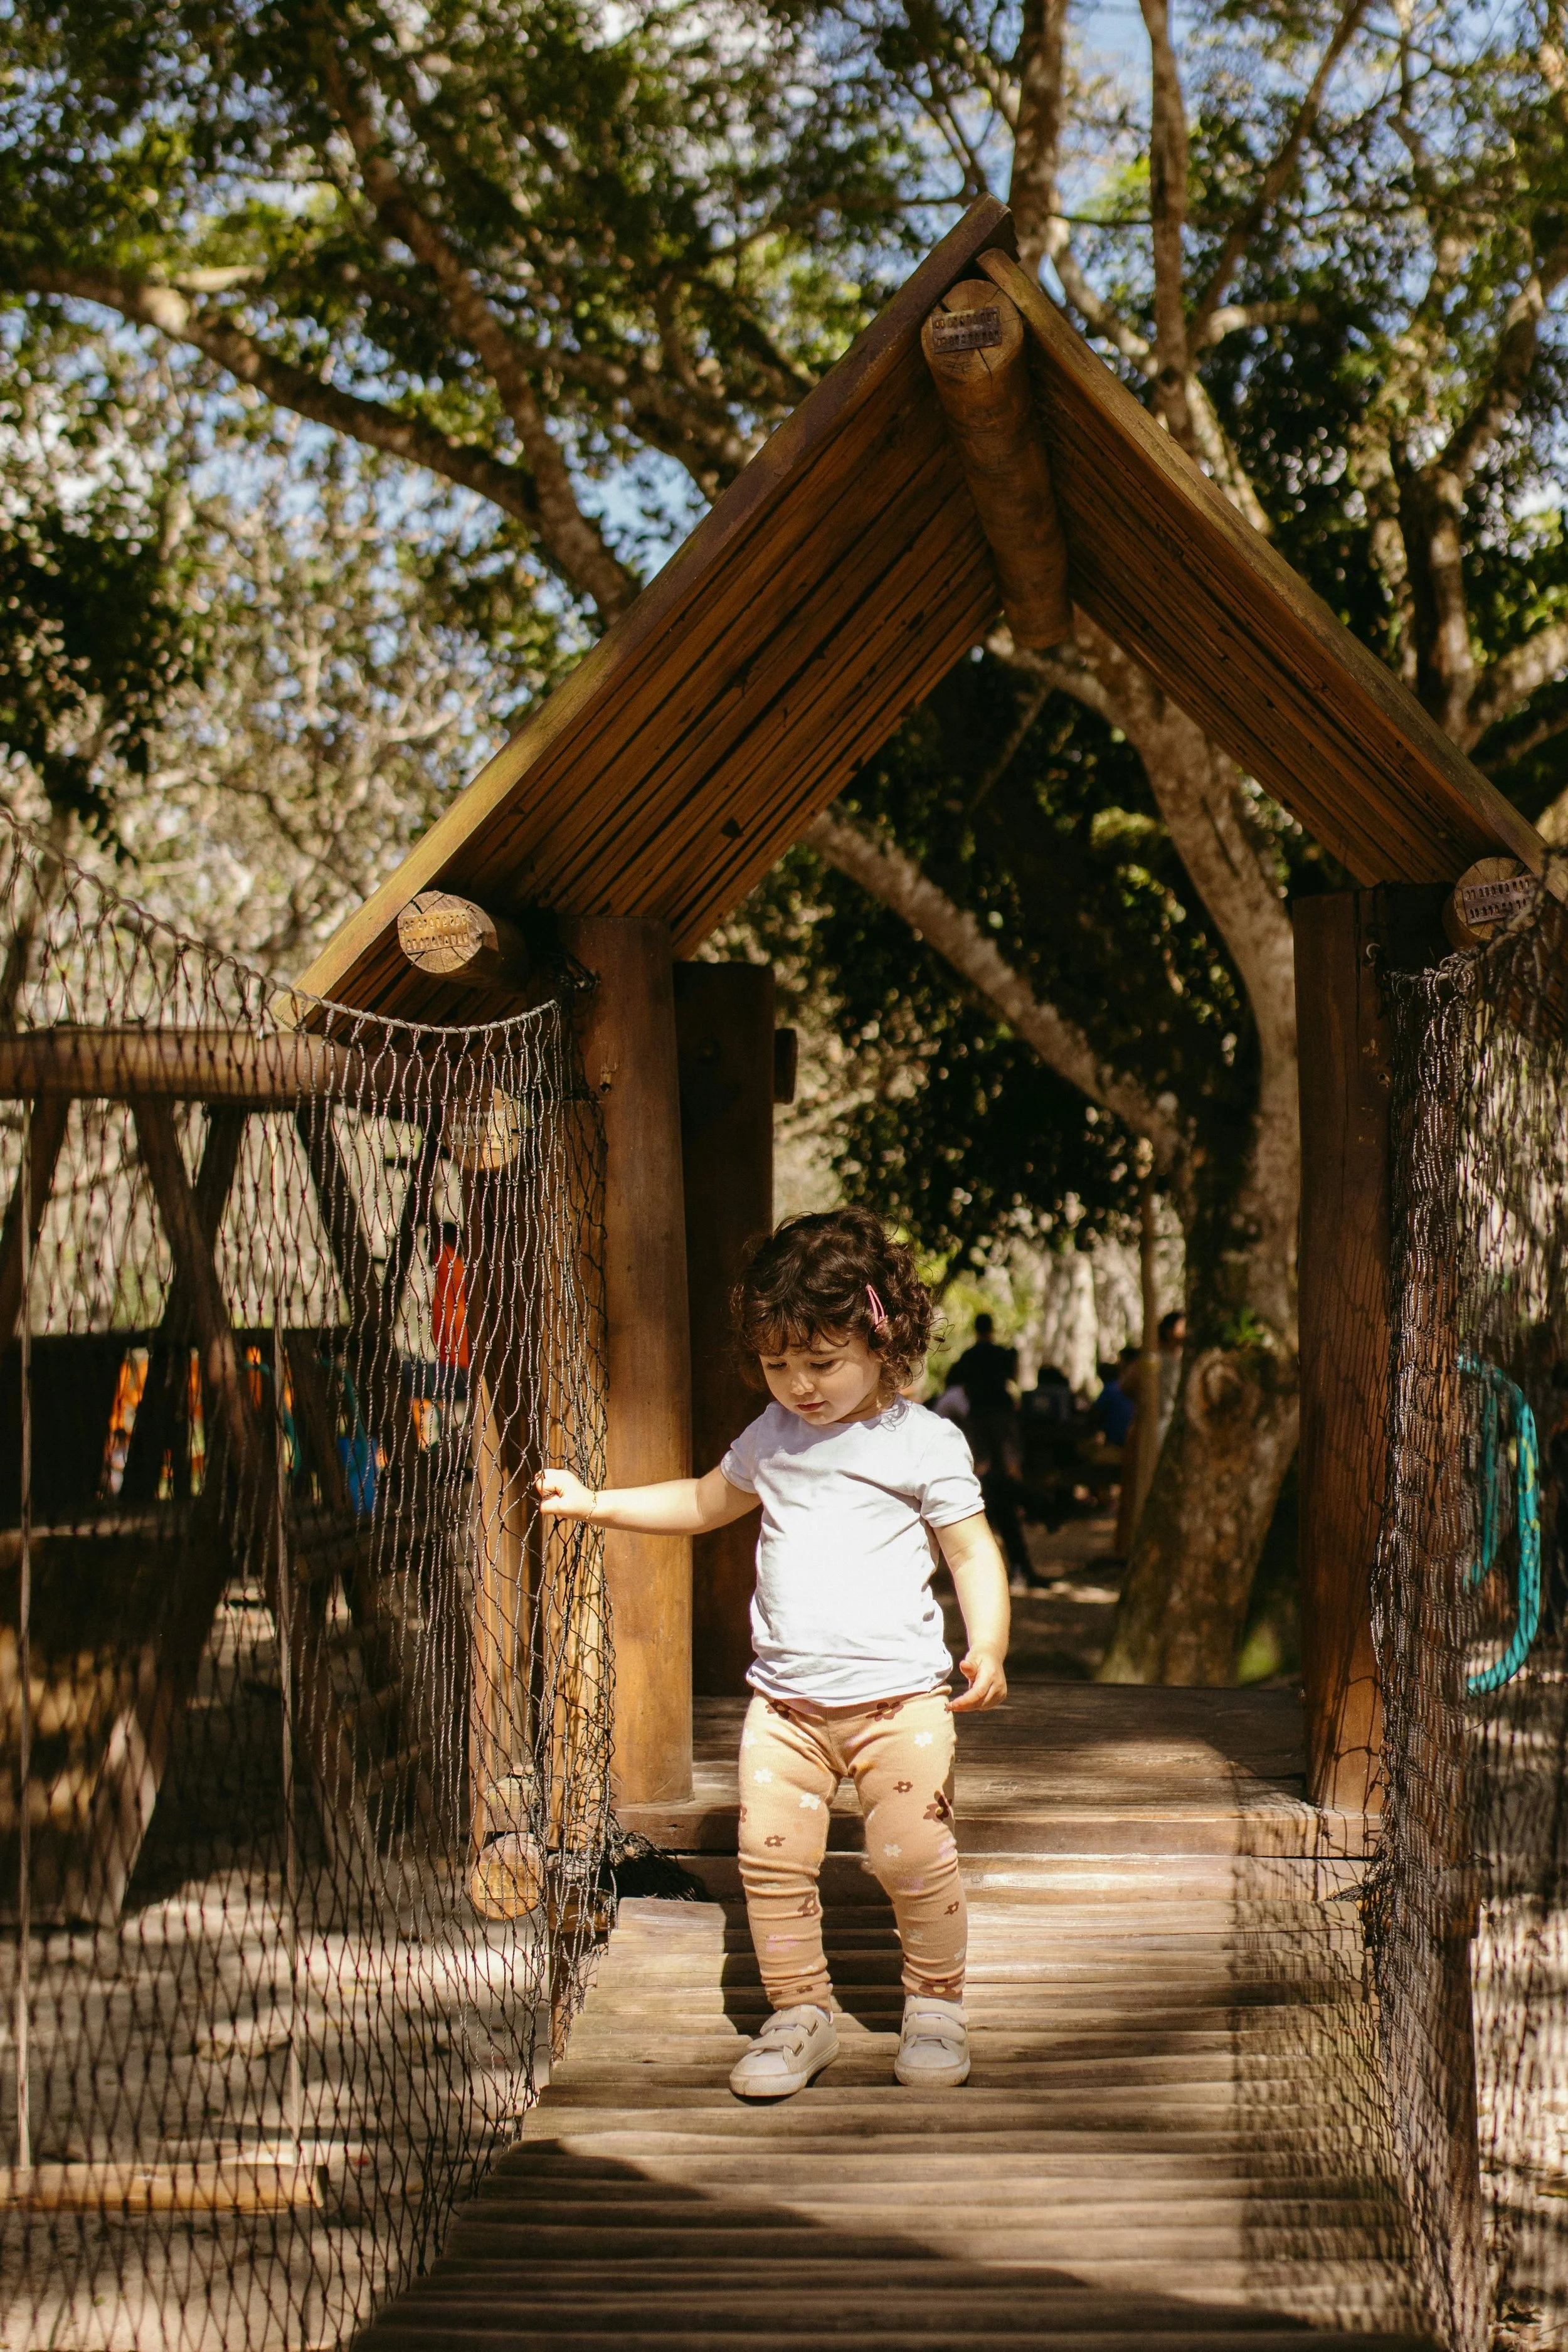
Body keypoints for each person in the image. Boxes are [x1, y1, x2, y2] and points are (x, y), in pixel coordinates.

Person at [536, 1207, 1010, 2104]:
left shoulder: (922, 1442)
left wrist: (986, 1641)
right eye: (778, 1362)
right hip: (785, 1709)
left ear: (884, 1335)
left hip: (898, 1704)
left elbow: (972, 1550)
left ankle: (937, 2004)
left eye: (822, 1362)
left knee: (911, 1853)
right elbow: (702, 1501)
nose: (800, 1383)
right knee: (770, 1858)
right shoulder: (772, 1436)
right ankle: (801, 2011)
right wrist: (596, 1502)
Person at [948, 1313, 1034, 1588]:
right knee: (1007, 1474)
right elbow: (1014, 1379)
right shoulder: (1003, 1354)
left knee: (984, 1475)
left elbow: (955, 1382)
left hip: (978, 1420)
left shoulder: (968, 1357)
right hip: (1000, 1418)